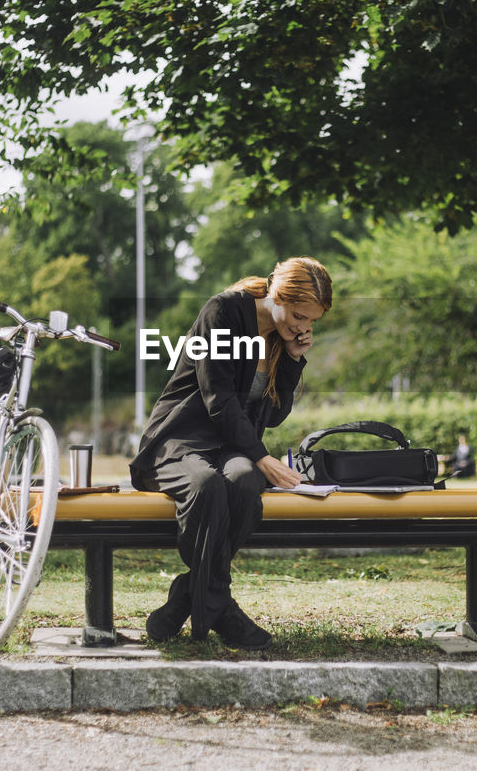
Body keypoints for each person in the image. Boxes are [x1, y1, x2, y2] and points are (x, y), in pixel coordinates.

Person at [129, 256, 333, 649]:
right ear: (277, 292)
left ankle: (190, 594)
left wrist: (291, 357)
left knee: (242, 483)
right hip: (180, 440)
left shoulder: (279, 336)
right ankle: (220, 606)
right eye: (298, 315)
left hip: (232, 447)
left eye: (312, 321)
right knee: (207, 487)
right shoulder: (221, 312)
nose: (303, 327)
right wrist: (262, 456)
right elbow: (218, 398)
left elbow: (273, 416)